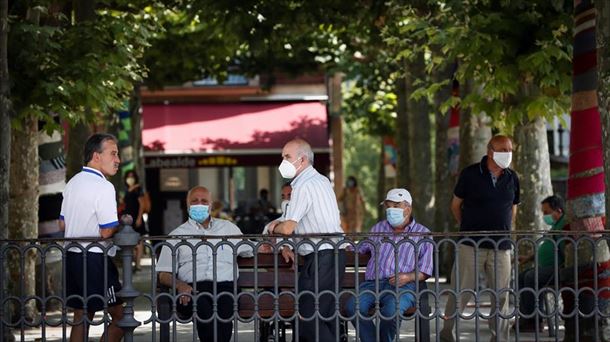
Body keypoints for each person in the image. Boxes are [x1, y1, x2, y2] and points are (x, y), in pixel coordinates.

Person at [440, 135, 520, 342]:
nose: (507, 154)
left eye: (510, 150)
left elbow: (513, 208)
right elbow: (455, 206)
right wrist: (468, 227)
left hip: (501, 246)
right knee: (461, 292)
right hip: (471, 244)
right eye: (503, 149)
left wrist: (504, 229)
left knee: (501, 296)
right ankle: (447, 334)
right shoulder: (470, 174)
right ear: (490, 151)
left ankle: (500, 338)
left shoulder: (512, 177)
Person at [267, 138, 346, 342]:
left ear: (301, 160)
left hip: (321, 258)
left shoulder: (303, 186)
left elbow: (288, 228)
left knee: (307, 316)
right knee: (324, 316)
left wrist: (274, 227)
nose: (282, 162)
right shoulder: (322, 181)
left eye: (287, 157)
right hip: (334, 256)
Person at [155, 186, 253, 342]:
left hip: (226, 288)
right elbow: (164, 274)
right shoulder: (176, 235)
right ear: (187, 205)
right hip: (192, 290)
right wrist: (180, 286)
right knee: (203, 307)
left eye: (204, 201)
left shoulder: (228, 228)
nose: (199, 204)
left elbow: (251, 249)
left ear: (211, 205)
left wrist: (280, 245)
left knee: (225, 308)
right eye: (194, 201)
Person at [345, 188, 433, 342]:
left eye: (396, 206)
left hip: (404, 286)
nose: (390, 210)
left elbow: (425, 270)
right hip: (372, 284)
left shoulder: (423, 234)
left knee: (392, 311)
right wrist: (343, 246)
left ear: (408, 208)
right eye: (388, 206)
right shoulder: (378, 228)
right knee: (353, 307)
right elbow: (361, 247)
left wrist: (408, 277)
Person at [59, 133, 124, 342]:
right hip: (95, 259)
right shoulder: (104, 186)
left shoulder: (72, 183)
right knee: (122, 317)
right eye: (113, 153)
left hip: (72, 256)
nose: (118, 160)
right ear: (96, 156)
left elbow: (62, 223)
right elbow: (106, 231)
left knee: (81, 316)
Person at [515, 195, 566, 332]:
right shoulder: (555, 225)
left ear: (558, 210)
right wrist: (527, 258)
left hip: (558, 269)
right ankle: (526, 317)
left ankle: (534, 321)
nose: (544, 216)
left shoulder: (564, 225)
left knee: (531, 277)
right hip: (547, 268)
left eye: (547, 212)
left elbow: (566, 249)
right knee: (522, 277)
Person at [122, 169, 146, 271]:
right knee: (131, 241)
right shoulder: (126, 189)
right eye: (128, 176)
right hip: (128, 219)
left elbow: (142, 204)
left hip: (136, 218)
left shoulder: (138, 189)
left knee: (139, 241)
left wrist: (139, 218)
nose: (130, 178)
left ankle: (138, 264)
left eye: (132, 176)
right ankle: (133, 262)